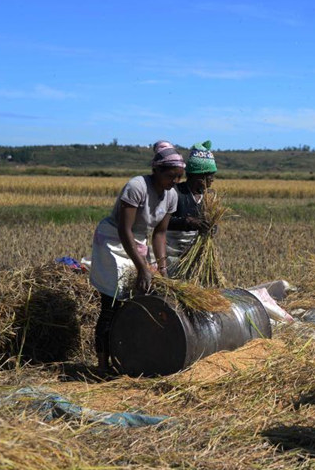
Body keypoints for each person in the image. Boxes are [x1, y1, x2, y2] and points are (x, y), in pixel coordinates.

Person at [89, 142, 184, 372]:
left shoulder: (171, 196)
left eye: (179, 177)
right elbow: (124, 229)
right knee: (112, 304)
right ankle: (102, 367)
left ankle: (128, 359)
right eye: (171, 176)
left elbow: (159, 234)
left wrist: (161, 269)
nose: (175, 182)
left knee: (139, 301)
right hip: (113, 242)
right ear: (157, 171)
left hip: (137, 243)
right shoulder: (137, 186)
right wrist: (142, 267)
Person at [165, 140, 218, 272]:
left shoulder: (208, 197)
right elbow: (161, 222)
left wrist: (212, 227)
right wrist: (188, 222)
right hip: (172, 252)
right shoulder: (175, 192)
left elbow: (210, 222)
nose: (212, 180)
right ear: (199, 176)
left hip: (197, 253)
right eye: (210, 176)